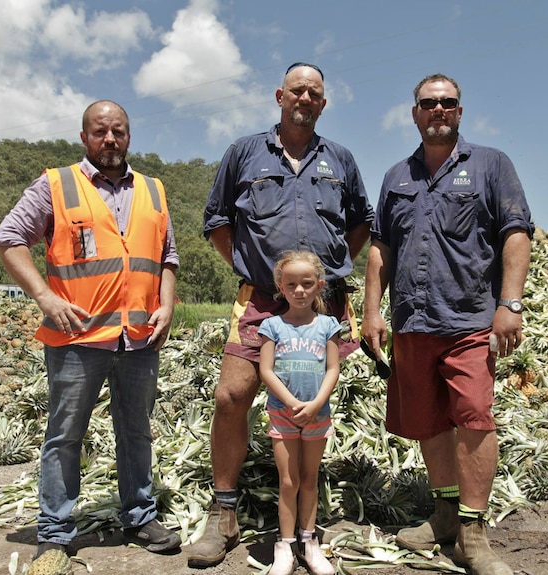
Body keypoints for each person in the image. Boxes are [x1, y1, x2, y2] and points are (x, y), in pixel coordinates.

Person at [188, 62, 374, 568]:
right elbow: (217, 221)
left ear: (323, 102)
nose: (306, 98)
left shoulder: (341, 159)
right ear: (279, 96)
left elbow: (361, 222)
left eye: (315, 93)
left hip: (321, 302)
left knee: (314, 400)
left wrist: (330, 271)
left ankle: (305, 522)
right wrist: (253, 270)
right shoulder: (245, 153)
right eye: (298, 90)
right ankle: (223, 514)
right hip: (262, 300)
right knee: (232, 395)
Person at [0, 100, 181, 560]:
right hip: (78, 339)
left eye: (118, 131)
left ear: (129, 137)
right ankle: (55, 531)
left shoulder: (153, 190)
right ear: (84, 137)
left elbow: (167, 257)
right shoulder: (55, 184)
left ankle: (139, 516)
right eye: (100, 131)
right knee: (66, 433)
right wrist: (45, 297)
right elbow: (8, 239)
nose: (110, 139)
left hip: (138, 338)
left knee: (136, 432)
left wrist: (168, 304)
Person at [361, 74, 533, 575]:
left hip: (470, 320)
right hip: (413, 320)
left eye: (448, 102)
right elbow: (381, 249)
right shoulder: (396, 175)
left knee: (474, 418)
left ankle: (474, 533)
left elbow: (516, 234)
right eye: (429, 103)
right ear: (414, 113)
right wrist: (372, 310)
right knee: (429, 423)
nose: (439, 109)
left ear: (460, 111)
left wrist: (511, 303)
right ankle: (443, 515)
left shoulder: (491, 165)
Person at [258, 250, 339, 575]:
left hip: (318, 415)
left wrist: (317, 402)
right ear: (280, 286)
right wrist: (292, 403)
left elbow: (332, 369)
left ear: (319, 285)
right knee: (288, 481)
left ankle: (309, 543)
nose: (300, 290)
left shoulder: (328, 326)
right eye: (292, 284)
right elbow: (266, 371)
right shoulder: (271, 326)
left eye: (307, 283)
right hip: (283, 414)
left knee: (309, 478)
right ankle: (285, 546)